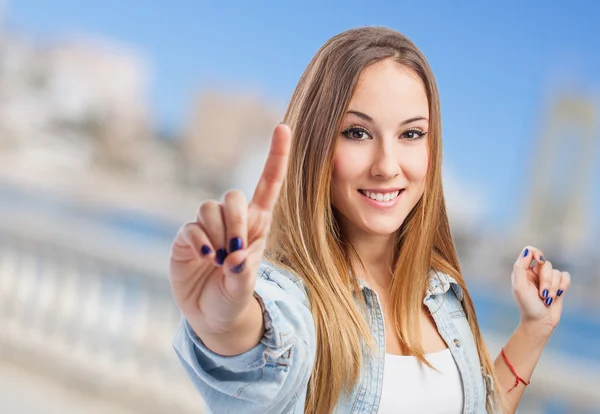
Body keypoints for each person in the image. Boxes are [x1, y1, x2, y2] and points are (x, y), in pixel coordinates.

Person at [169, 26, 571, 414]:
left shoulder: (443, 293)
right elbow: (260, 350)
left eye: (411, 135)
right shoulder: (290, 296)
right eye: (358, 133)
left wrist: (534, 328)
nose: (387, 166)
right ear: (316, 143)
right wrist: (225, 324)